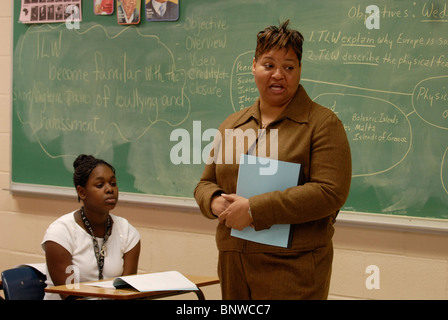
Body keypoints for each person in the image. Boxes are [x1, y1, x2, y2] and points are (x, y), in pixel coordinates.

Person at [194, 20, 352, 300]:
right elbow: (206, 183)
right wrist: (216, 202)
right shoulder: (233, 124)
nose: (278, 75)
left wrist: (255, 209)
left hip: (293, 270)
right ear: (253, 66)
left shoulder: (322, 123)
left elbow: (330, 192)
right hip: (234, 264)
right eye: (269, 65)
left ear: (300, 70)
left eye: (289, 67)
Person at [42, 155, 141, 299]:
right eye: (100, 185)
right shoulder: (60, 233)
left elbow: (126, 292)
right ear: (82, 192)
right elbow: (70, 295)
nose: (109, 189)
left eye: (113, 183)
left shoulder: (127, 232)